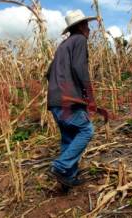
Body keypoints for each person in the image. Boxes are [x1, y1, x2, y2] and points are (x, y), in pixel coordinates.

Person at [46, 10, 97, 187]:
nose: (89, 30)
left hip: (54, 100)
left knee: (69, 137)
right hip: (68, 99)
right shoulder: (80, 40)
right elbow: (79, 68)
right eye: (88, 26)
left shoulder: (63, 46)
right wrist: (89, 96)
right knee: (86, 130)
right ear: (81, 27)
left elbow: (48, 73)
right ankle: (60, 166)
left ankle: (69, 178)